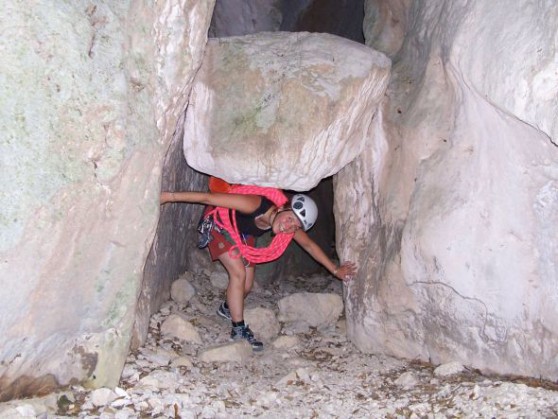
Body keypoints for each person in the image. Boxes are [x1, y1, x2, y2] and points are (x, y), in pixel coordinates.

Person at [160, 187, 357, 351]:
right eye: (290, 219)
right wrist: (169, 197)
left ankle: (227, 308)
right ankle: (238, 329)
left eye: (294, 226)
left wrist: (335, 270)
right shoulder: (254, 204)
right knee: (238, 272)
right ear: (284, 208)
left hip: (243, 235)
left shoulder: (287, 226)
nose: (288, 227)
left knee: (246, 286)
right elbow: (208, 197)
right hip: (219, 223)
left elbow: (310, 246)